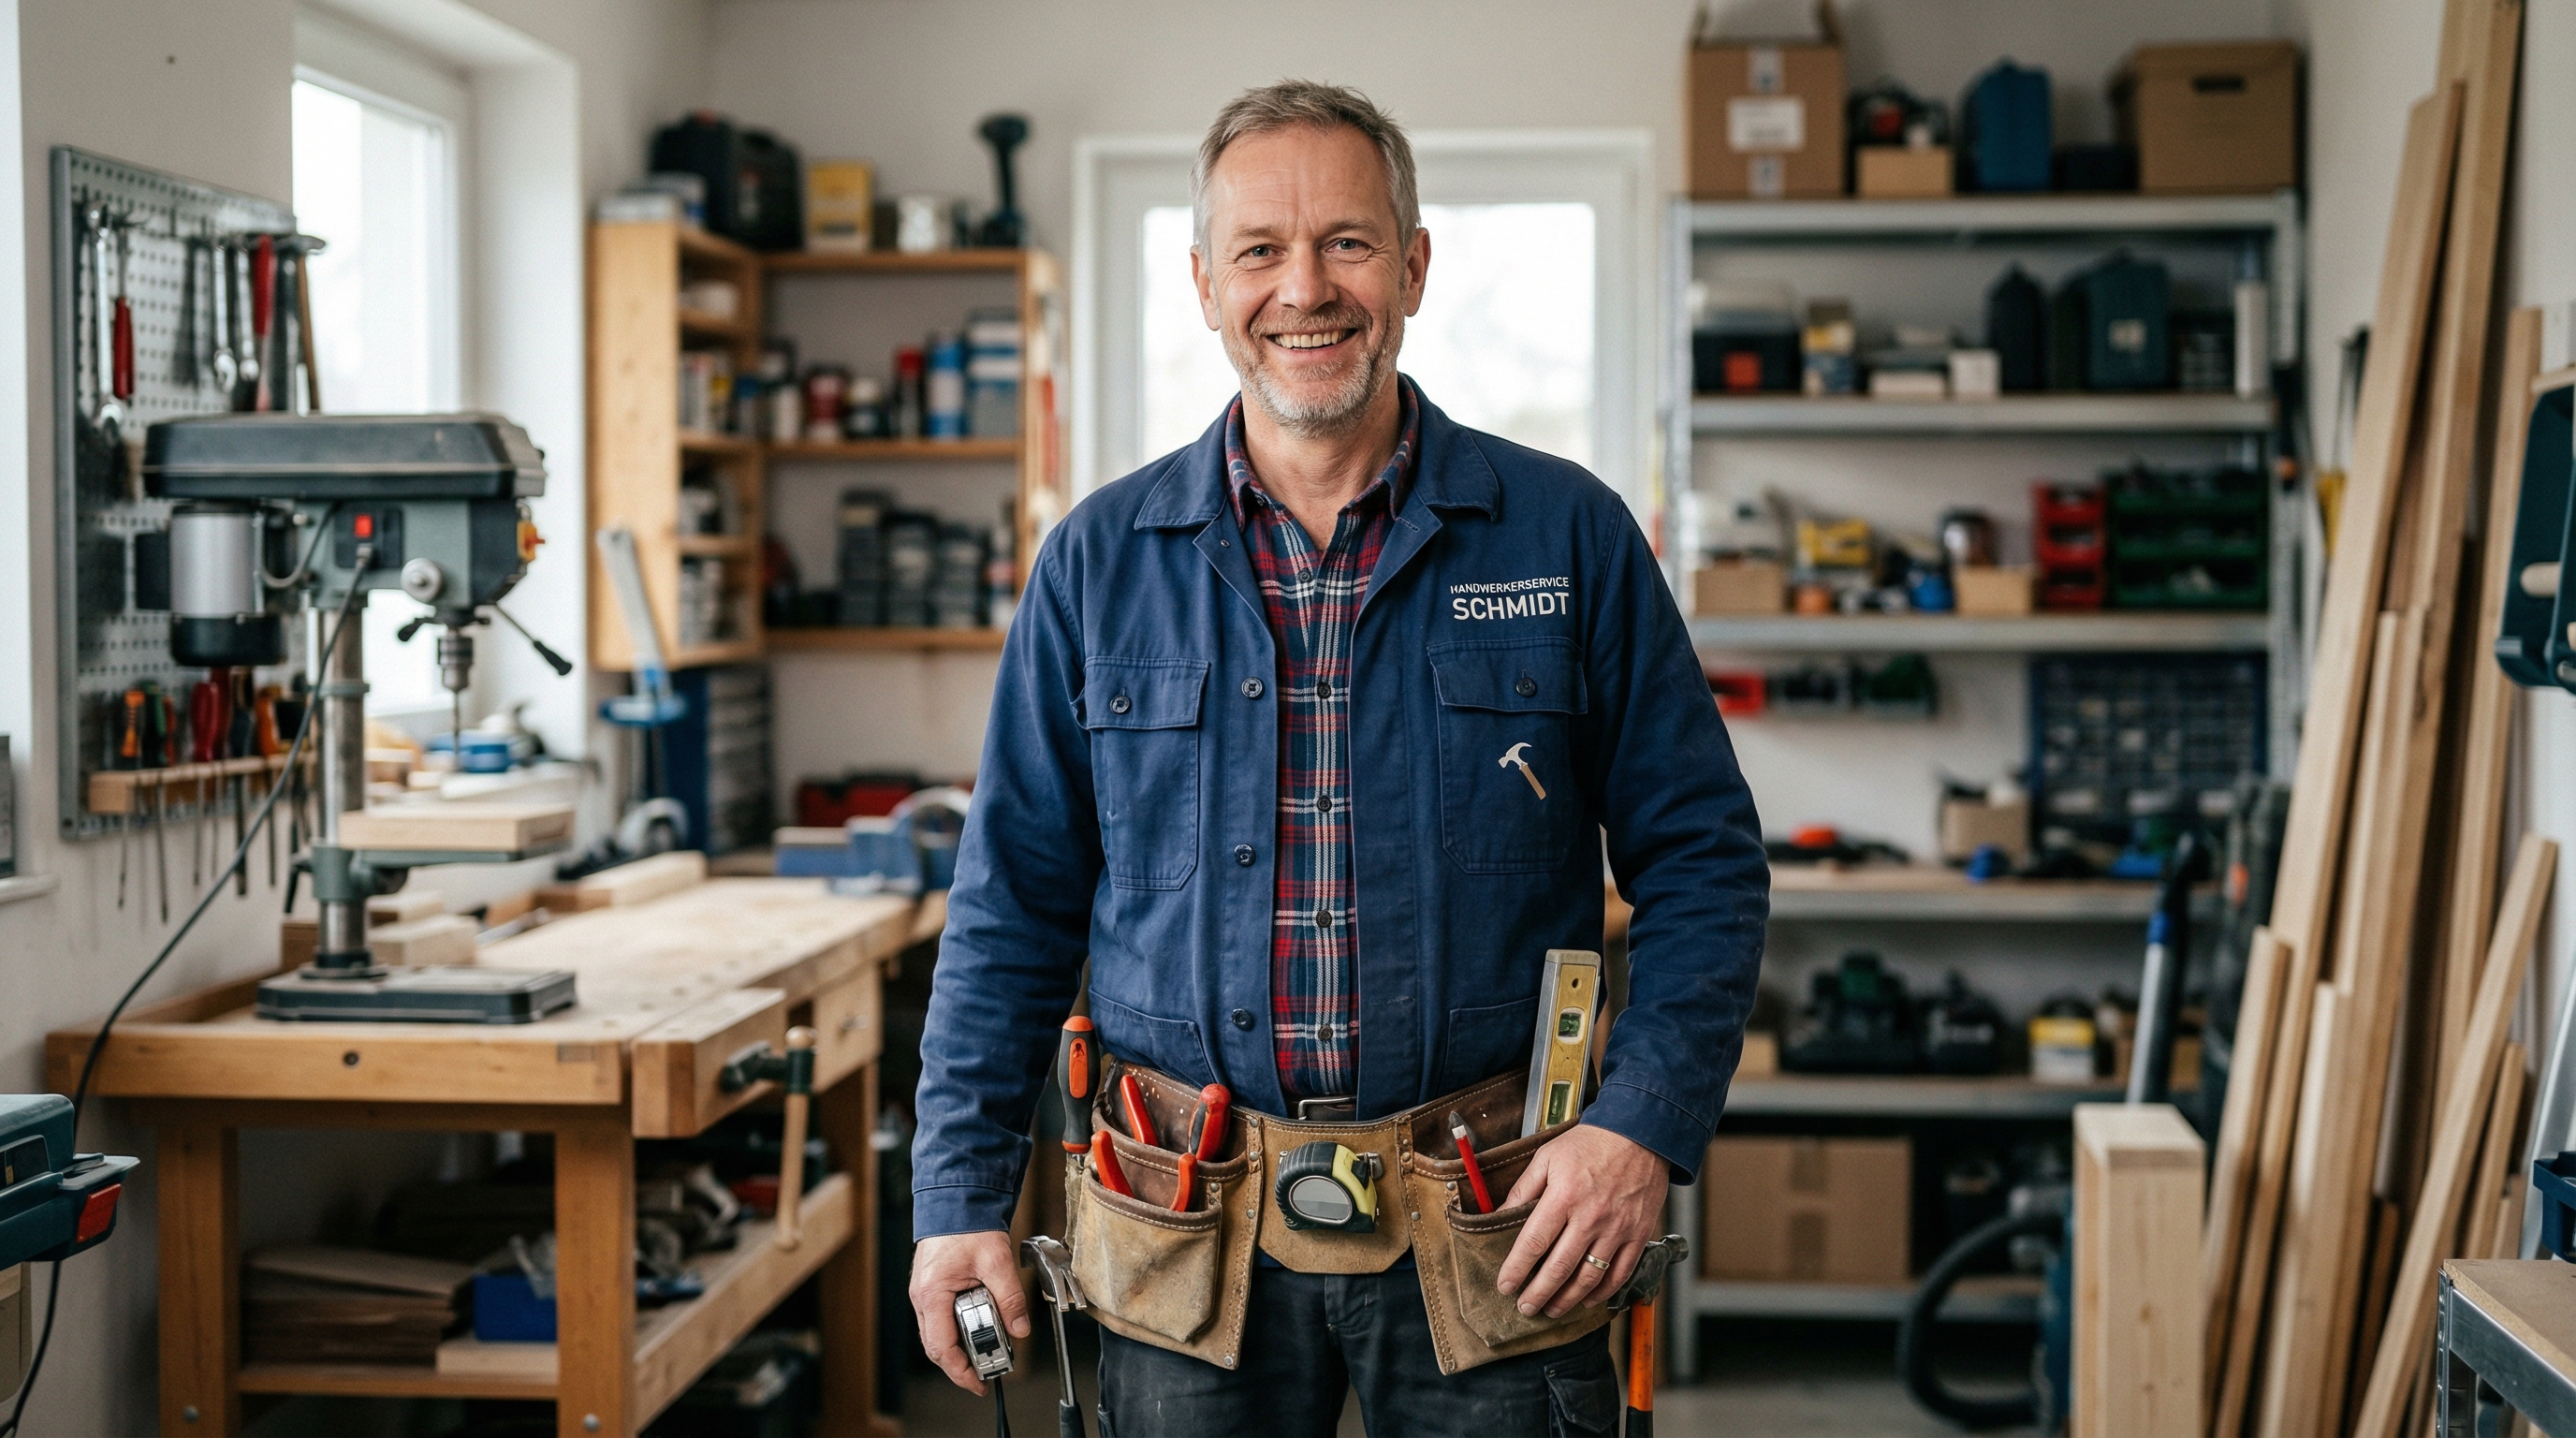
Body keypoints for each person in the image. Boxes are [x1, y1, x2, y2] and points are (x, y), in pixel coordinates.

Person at [908, 79, 1767, 1436]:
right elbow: (1011, 906)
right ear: (1204, 283)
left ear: (1415, 266)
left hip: (1500, 1214)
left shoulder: (1567, 538)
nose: (1304, 289)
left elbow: (1706, 865)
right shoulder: (1096, 566)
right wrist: (957, 1203)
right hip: (1187, 1226)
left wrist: (1642, 1127)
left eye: (1348, 244)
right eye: (1259, 250)